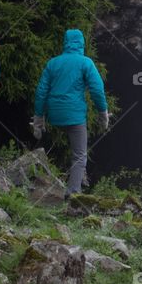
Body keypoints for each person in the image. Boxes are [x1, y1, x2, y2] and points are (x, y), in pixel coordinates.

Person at [32, 29, 108, 200]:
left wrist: (38, 119)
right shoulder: (85, 63)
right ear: (82, 44)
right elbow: (97, 89)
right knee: (79, 155)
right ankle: (73, 193)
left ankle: (41, 177)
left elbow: (41, 92)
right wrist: (103, 113)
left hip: (54, 115)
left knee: (60, 141)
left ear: (65, 43)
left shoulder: (53, 63)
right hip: (75, 117)